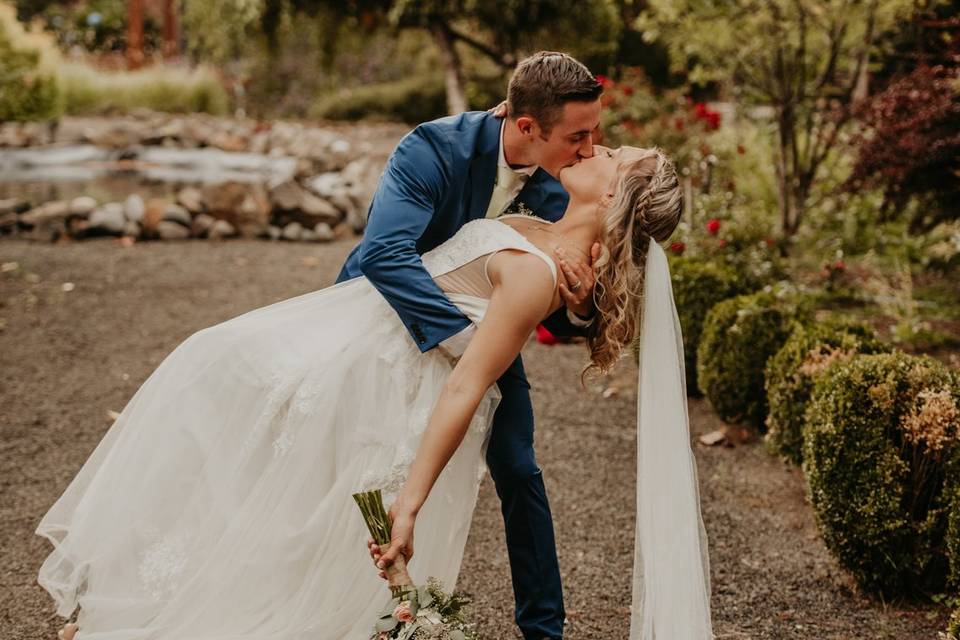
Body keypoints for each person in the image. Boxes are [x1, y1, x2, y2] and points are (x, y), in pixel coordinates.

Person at [337, 51, 605, 639]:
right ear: (526, 127)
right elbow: (385, 255)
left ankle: (544, 629)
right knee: (351, 459)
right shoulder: (432, 149)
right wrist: (467, 347)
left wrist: (582, 303)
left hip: (485, 336)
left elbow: (553, 312)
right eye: (578, 136)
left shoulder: (566, 184)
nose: (589, 149)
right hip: (390, 316)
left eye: (595, 134)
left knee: (518, 467)